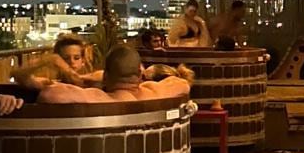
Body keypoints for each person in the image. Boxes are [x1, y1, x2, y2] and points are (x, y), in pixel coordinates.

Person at [38, 44, 193, 105]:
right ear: (140, 73)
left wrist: (88, 79)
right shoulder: (153, 92)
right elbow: (182, 84)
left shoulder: (98, 98)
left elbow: (49, 95)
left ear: (106, 75)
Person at [15, 34, 102, 90]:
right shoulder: (50, 85)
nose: (71, 62)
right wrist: (46, 60)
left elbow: (104, 76)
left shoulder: (90, 82)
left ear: (83, 60)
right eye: (65, 58)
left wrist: (67, 70)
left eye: (76, 58)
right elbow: (18, 75)